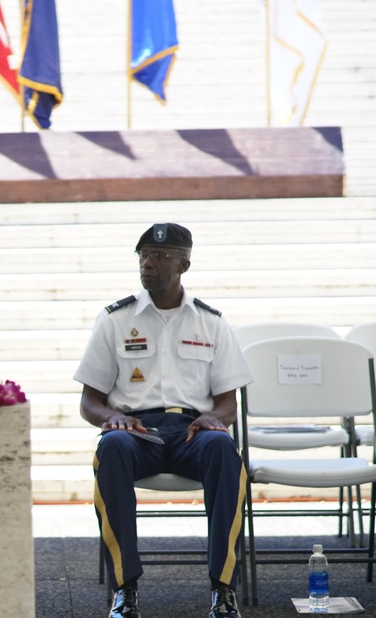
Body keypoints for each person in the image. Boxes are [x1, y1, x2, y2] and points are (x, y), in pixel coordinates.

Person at [74, 223, 251, 618]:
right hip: (138, 432)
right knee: (111, 447)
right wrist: (112, 418)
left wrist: (214, 420)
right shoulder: (114, 319)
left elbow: (227, 404)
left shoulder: (212, 323)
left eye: (160, 256)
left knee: (224, 449)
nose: (148, 264)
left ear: (183, 264)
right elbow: (90, 401)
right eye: (144, 257)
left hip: (193, 432)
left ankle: (223, 589)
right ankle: (126, 588)